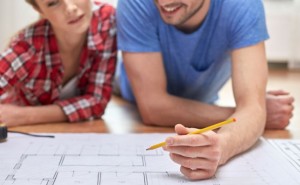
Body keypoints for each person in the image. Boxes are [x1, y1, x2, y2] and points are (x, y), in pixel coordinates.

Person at [116, 0, 294, 180]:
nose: (163, 2)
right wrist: (250, 116)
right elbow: (153, 107)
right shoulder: (134, 3)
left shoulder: (243, 5)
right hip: (126, 87)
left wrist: (223, 145)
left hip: (204, 99)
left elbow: (251, 108)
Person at [0, 0, 117, 127]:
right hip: (22, 133)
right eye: (53, 3)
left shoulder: (106, 20)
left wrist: (25, 116)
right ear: (39, 10)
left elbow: (97, 101)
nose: (70, 8)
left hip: (74, 133)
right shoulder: (29, 45)